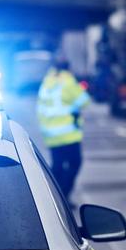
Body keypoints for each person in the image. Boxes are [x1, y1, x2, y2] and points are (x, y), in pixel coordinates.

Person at [37, 57, 90, 204]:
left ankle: (52, 197)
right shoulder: (67, 81)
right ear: (68, 68)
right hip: (67, 134)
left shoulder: (47, 81)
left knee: (58, 166)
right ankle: (63, 197)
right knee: (75, 163)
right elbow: (84, 100)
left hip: (50, 133)